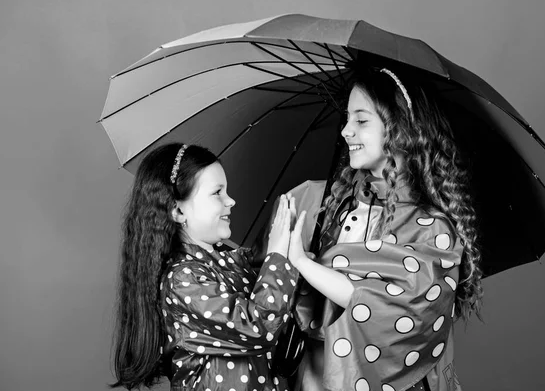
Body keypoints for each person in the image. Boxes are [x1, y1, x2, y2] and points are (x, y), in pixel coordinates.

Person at [285, 67, 484, 391]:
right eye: (347, 119)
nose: (346, 131)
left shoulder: (433, 231)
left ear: (400, 130)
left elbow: (387, 309)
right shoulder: (329, 203)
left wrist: (304, 263)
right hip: (313, 379)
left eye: (361, 121)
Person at [111, 143, 300, 391]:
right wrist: (277, 256)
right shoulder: (182, 280)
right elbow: (259, 327)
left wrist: (282, 237)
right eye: (217, 193)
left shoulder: (235, 262)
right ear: (178, 210)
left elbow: (270, 285)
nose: (230, 201)